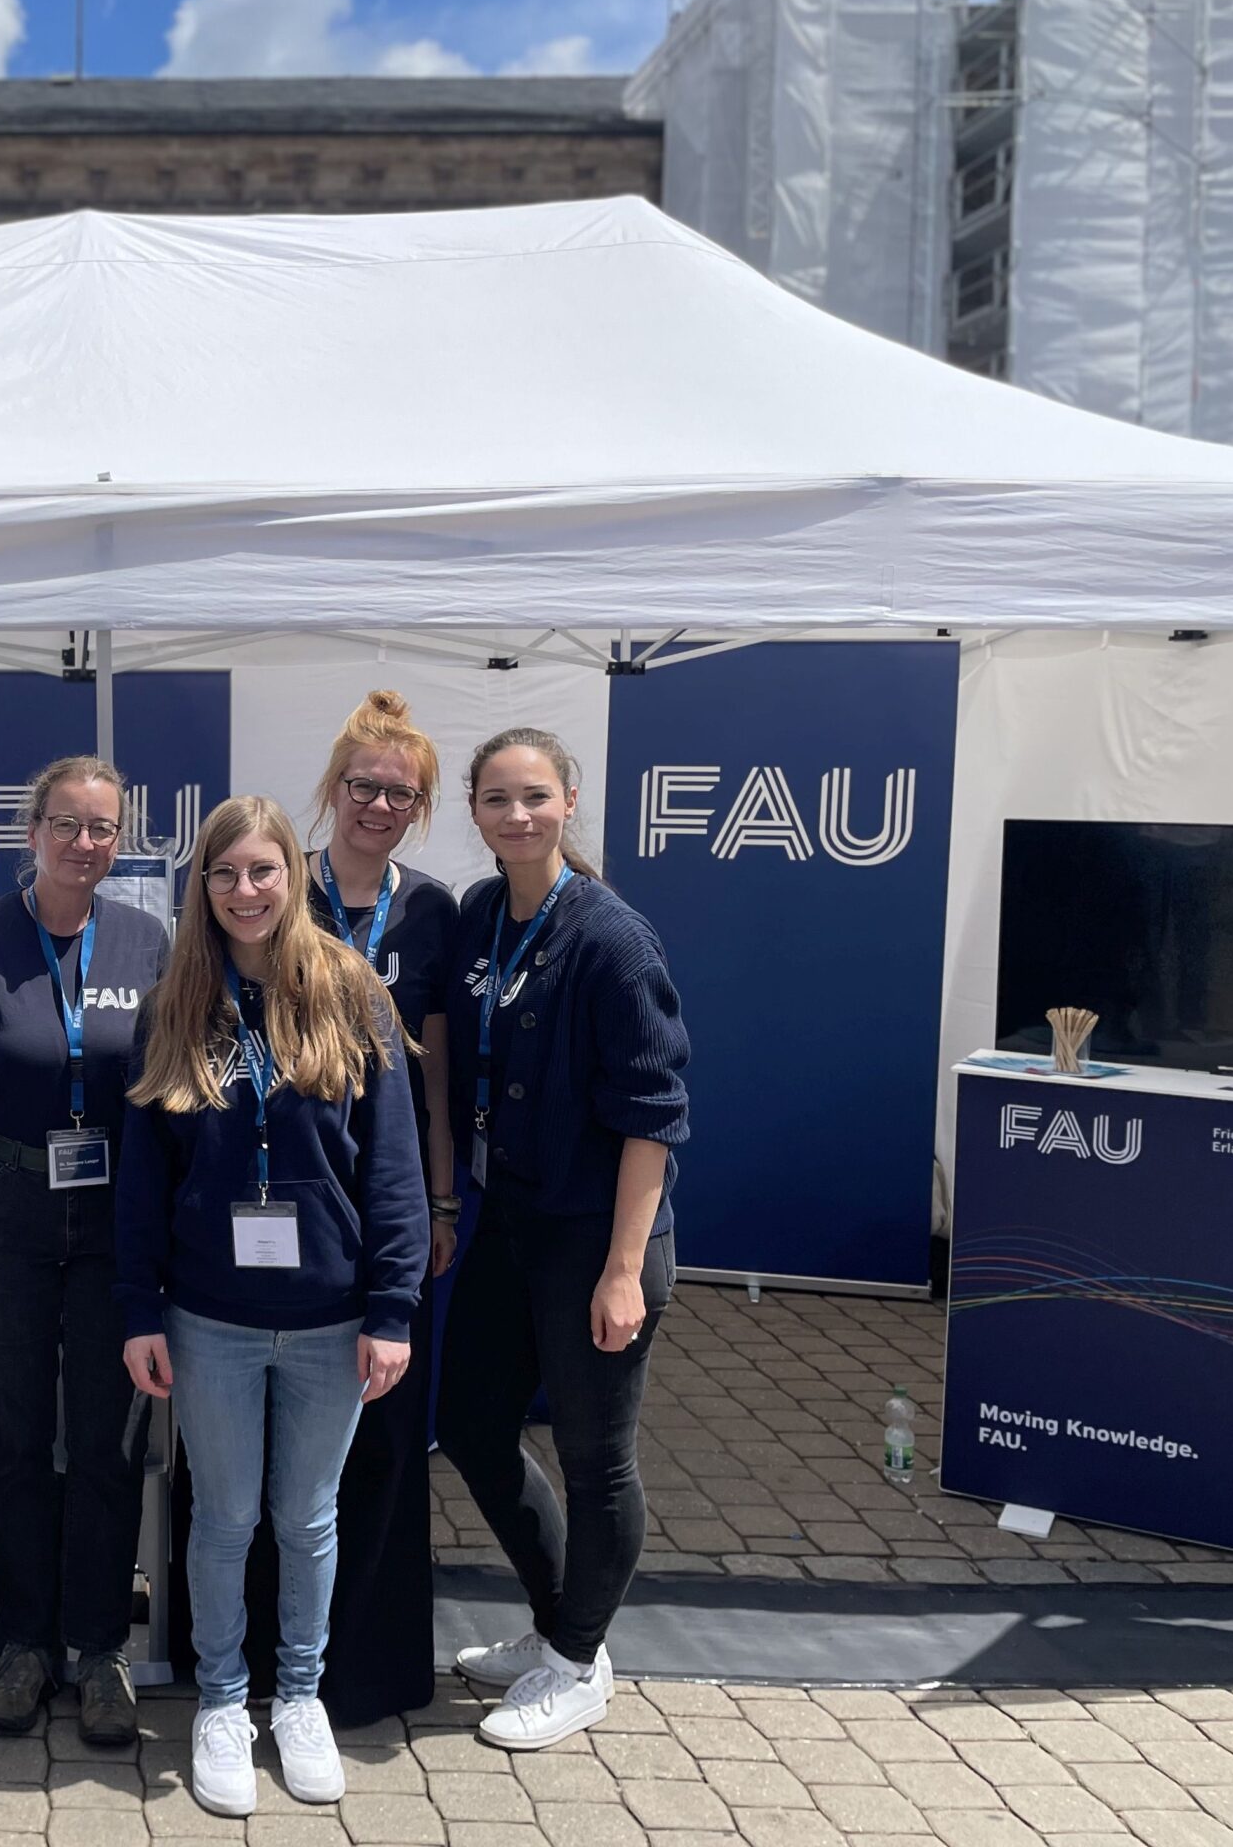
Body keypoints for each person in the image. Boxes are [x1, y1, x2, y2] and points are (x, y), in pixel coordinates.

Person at [115, 795, 429, 1820]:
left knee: (306, 1517)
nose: (244, 891)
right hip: (208, 1318)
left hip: (334, 1319)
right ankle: (219, 1700)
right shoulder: (175, 1004)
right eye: (223, 874)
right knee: (225, 1517)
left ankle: (297, 1696)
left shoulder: (350, 994)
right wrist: (139, 1312)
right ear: (199, 889)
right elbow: (140, 1184)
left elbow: (392, 1168)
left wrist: (391, 1307)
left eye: (262, 871)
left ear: (291, 878)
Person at [436, 727, 689, 1751]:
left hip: (597, 1236)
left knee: (597, 1460)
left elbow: (652, 1116)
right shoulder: (480, 913)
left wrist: (623, 1270)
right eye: (497, 799)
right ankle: (557, 1624)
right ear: (475, 811)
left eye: (534, 796)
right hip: (512, 1220)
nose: (516, 816)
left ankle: (577, 1661)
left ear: (569, 801)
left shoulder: (612, 939)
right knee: (469, 1424)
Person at [0, 756, 170, 1743]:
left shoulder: (150, 940)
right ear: (29, 834)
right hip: (7, 1209)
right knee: (16, 1437)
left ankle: (101, 1645)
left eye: (102, 828)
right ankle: (25, 1642)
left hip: (114, 1216)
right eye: (65, 825)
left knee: (109, 1443)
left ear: (120, 840)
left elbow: (166, 1100)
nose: (83, 844)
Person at [303, 690, 457, 1723]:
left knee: (388, 1434)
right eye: (363, 786)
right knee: (282, 1439)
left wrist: (441, 1201)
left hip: (394, 1204)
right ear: (332, 788)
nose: (378, 806)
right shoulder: (278, 890)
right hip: (290, 1207)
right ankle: (262, 1655)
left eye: (400, 794)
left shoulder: (433, 911)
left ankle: (370, 1665)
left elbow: (436, 1075)